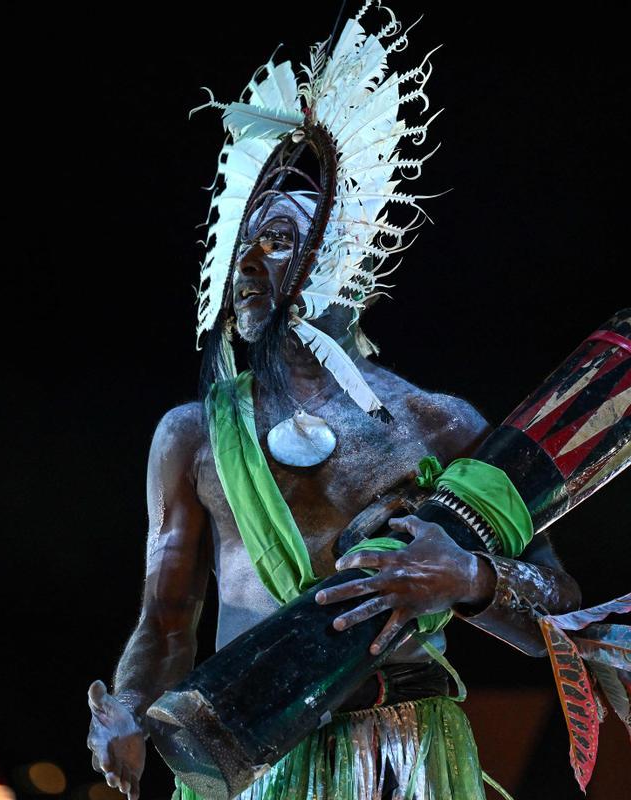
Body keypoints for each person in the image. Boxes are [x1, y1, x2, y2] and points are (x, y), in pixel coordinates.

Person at [87, 7, 581, 798]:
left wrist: (467, 579)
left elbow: (556, 610)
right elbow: (167, 621)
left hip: (403, 755)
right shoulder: (193, 437)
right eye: (241, 244)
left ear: (341, 261)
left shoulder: (438, 423)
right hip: (247, 746)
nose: (248, 265)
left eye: (278, 240)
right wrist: (129, 711)